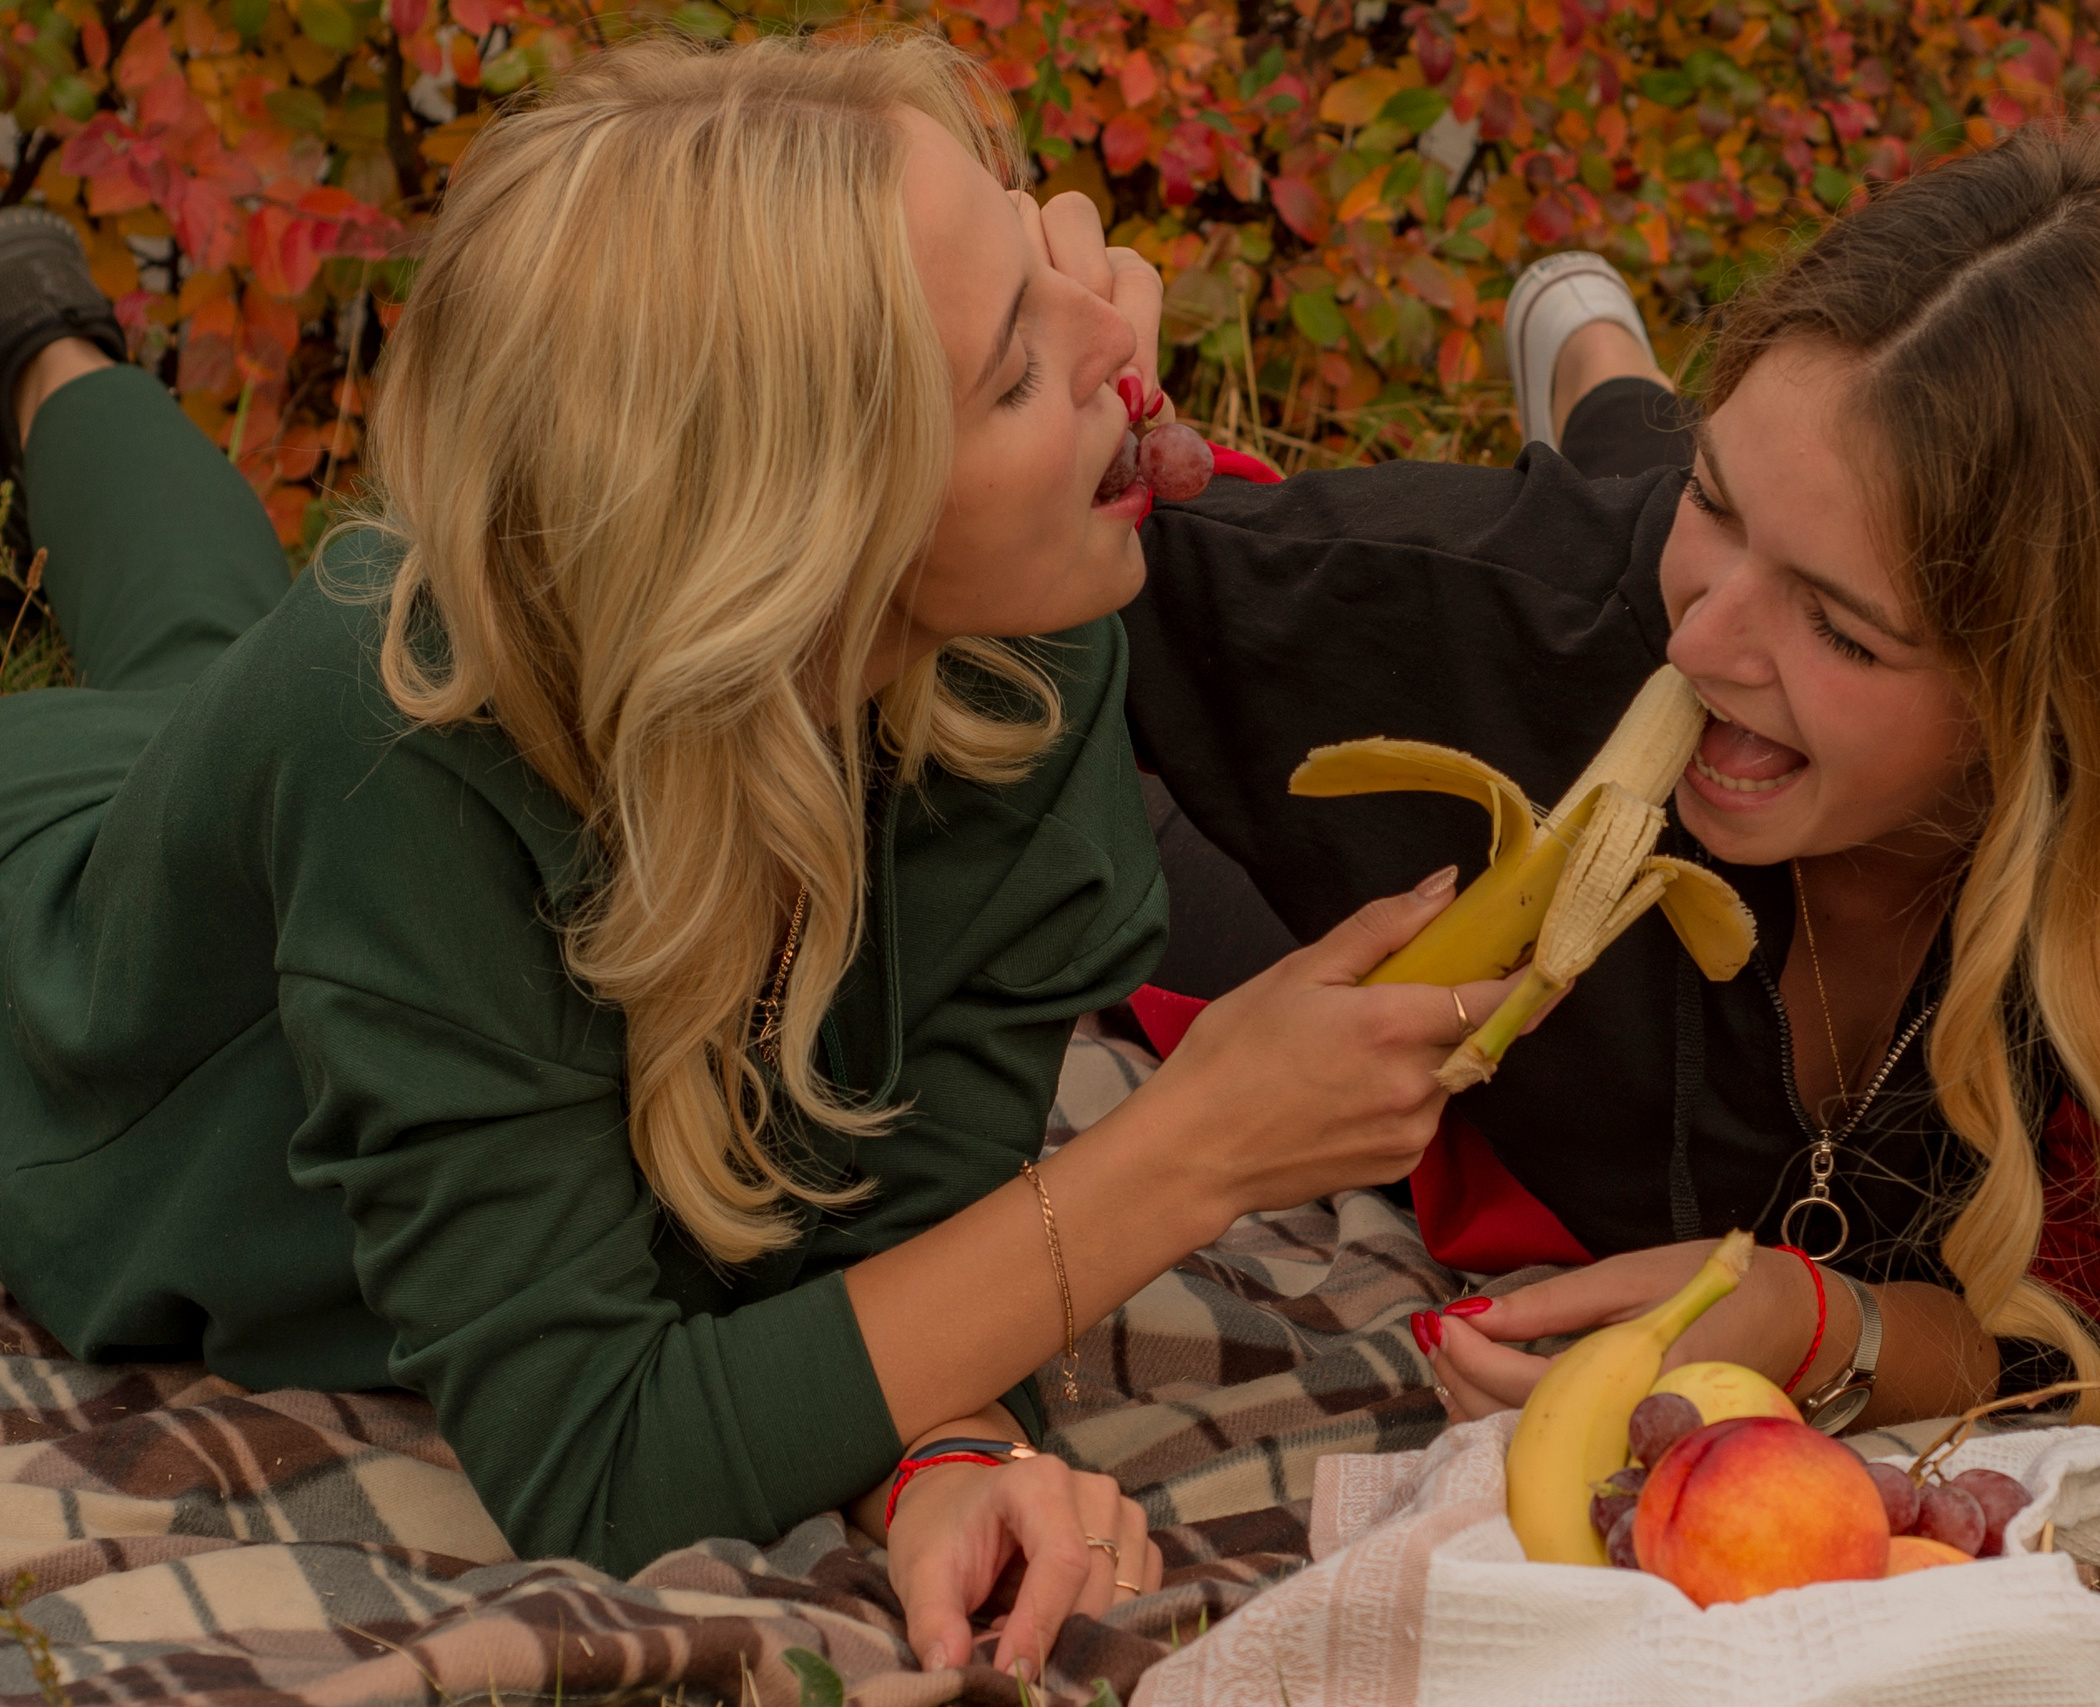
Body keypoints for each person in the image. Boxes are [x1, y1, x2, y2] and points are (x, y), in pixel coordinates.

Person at [0, 35, 1521, 1677]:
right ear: (803, 542)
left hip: (264, 753)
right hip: (66, 1003)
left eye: (1039, 260)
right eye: (1012, 367)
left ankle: (38, 342)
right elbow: (600, 1453)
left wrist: (947, 1453)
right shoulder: (402, 762)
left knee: (191, 651)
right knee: (245, 662)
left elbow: (922, 1211)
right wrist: (1197, 1146)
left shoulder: (1022, 614)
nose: (1126, 334)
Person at [1121, 123, 2100, 1512]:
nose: (1702, 649)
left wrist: (1842, 1331)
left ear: (2063, 705)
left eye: (1848, 630)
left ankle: (1620, 384)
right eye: (1722, 502)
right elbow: (1072, 593)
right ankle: (1611, 377)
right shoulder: (1526, 608)